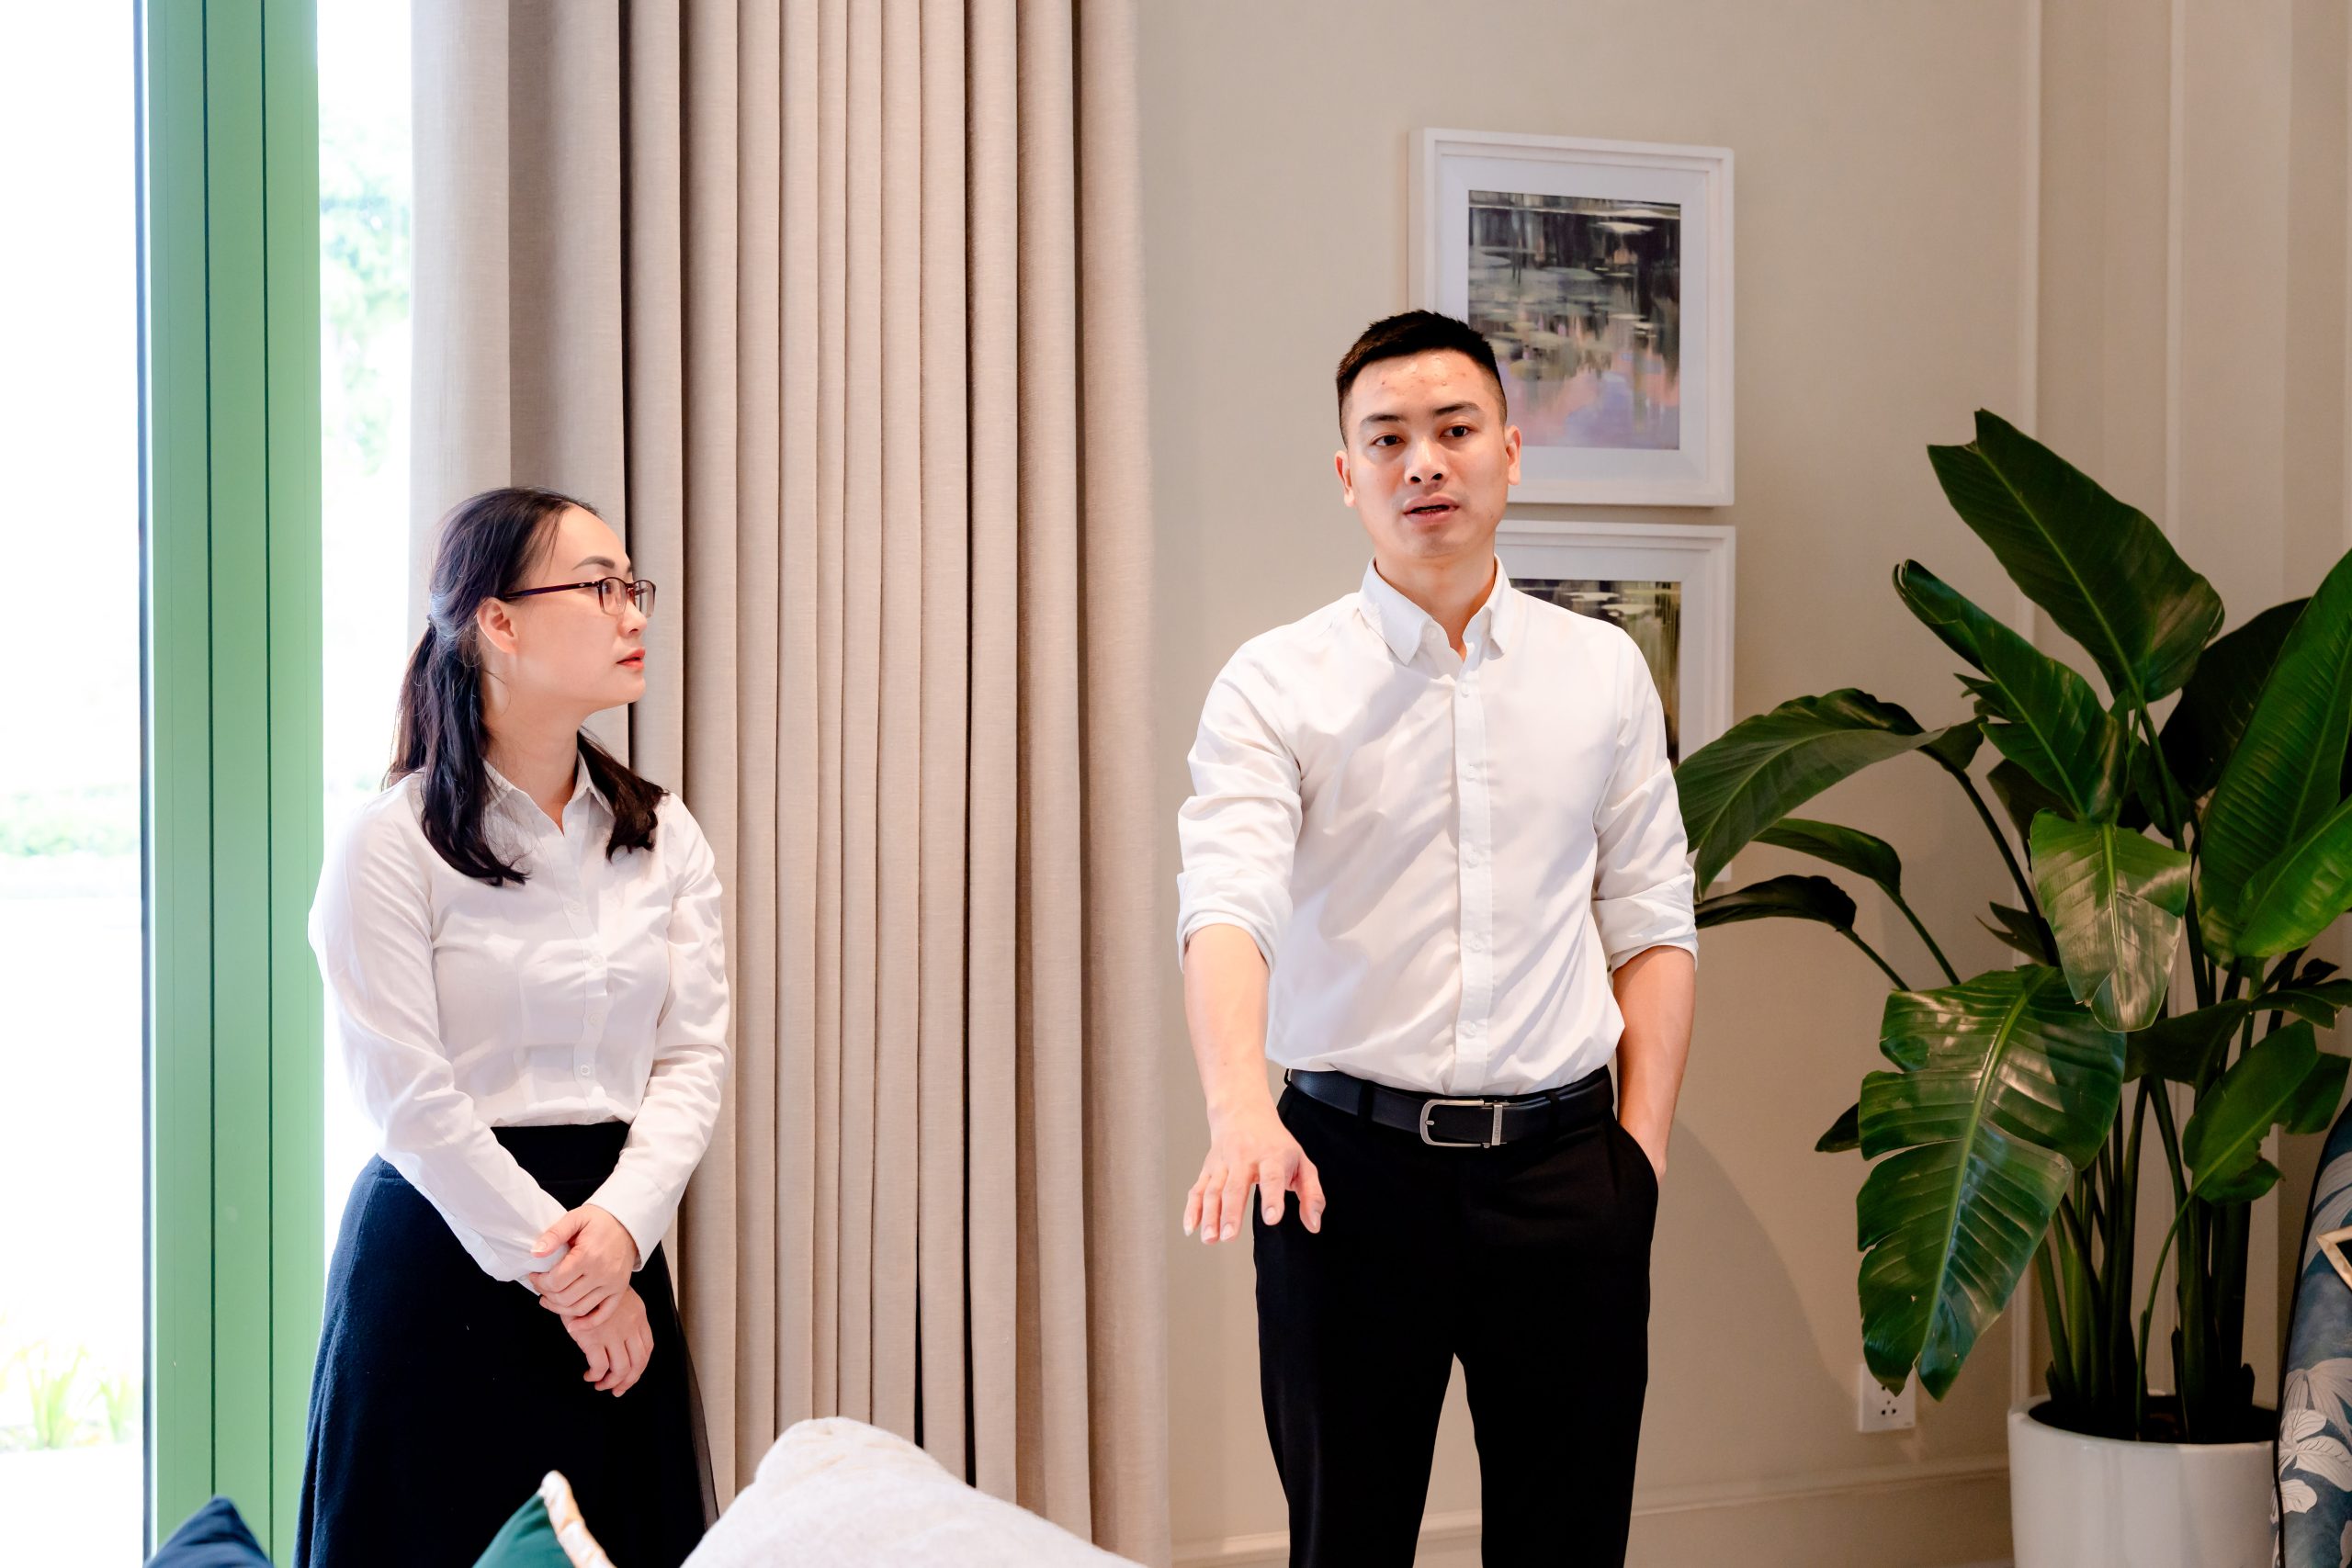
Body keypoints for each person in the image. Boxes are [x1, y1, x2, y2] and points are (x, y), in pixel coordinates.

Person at [1175, 310, 1699, 1567]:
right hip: (1344, 1180)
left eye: (1455, 430)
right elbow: (1227, 904)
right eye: (1388, 439)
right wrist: (1239, 1110)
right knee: (1346, 1545)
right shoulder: (1274, 682)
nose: (1424, 462)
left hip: (1566, 1174)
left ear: (1508, 452)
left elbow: (1652, 919)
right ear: (1346, 473)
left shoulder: (1603, 672)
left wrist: (1638, 1157)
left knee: (1567, 1545)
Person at [299, 488, 729, 1568]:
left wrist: (620, 1234)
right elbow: (411, 1102)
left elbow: (691, 1059)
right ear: (498, 621)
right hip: (446, 1263)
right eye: (599, 587)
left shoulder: (662, 834)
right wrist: (571, 1279)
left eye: (633, 586)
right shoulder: (389, 846)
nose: (633, 611)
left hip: (618, 1245)